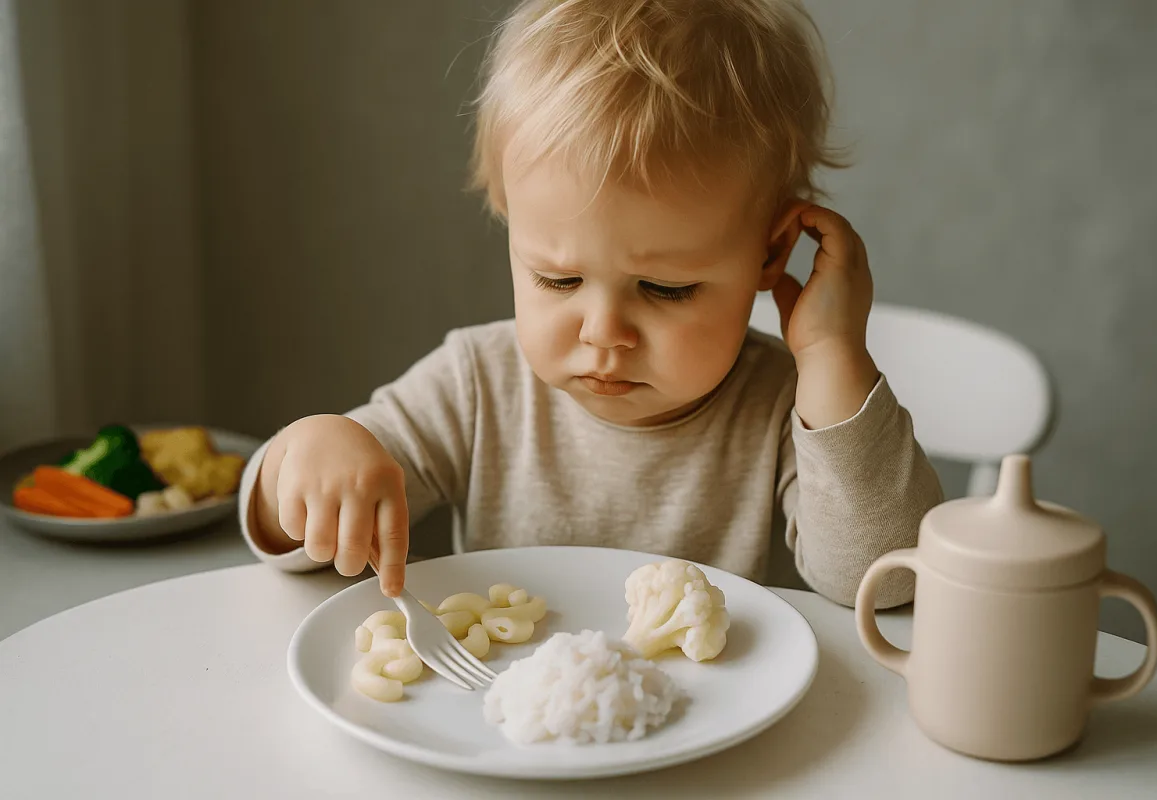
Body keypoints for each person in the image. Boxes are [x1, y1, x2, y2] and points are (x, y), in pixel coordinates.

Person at [237, 0, 943, 608]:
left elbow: (884, 581)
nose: (604, 335)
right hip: (500, 729)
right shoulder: (478, 386)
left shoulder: (780, 408)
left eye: (666, 289)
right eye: (558, 280)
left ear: (768, 254)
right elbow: (304, 536)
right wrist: (302, 459)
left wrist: (829, 355)